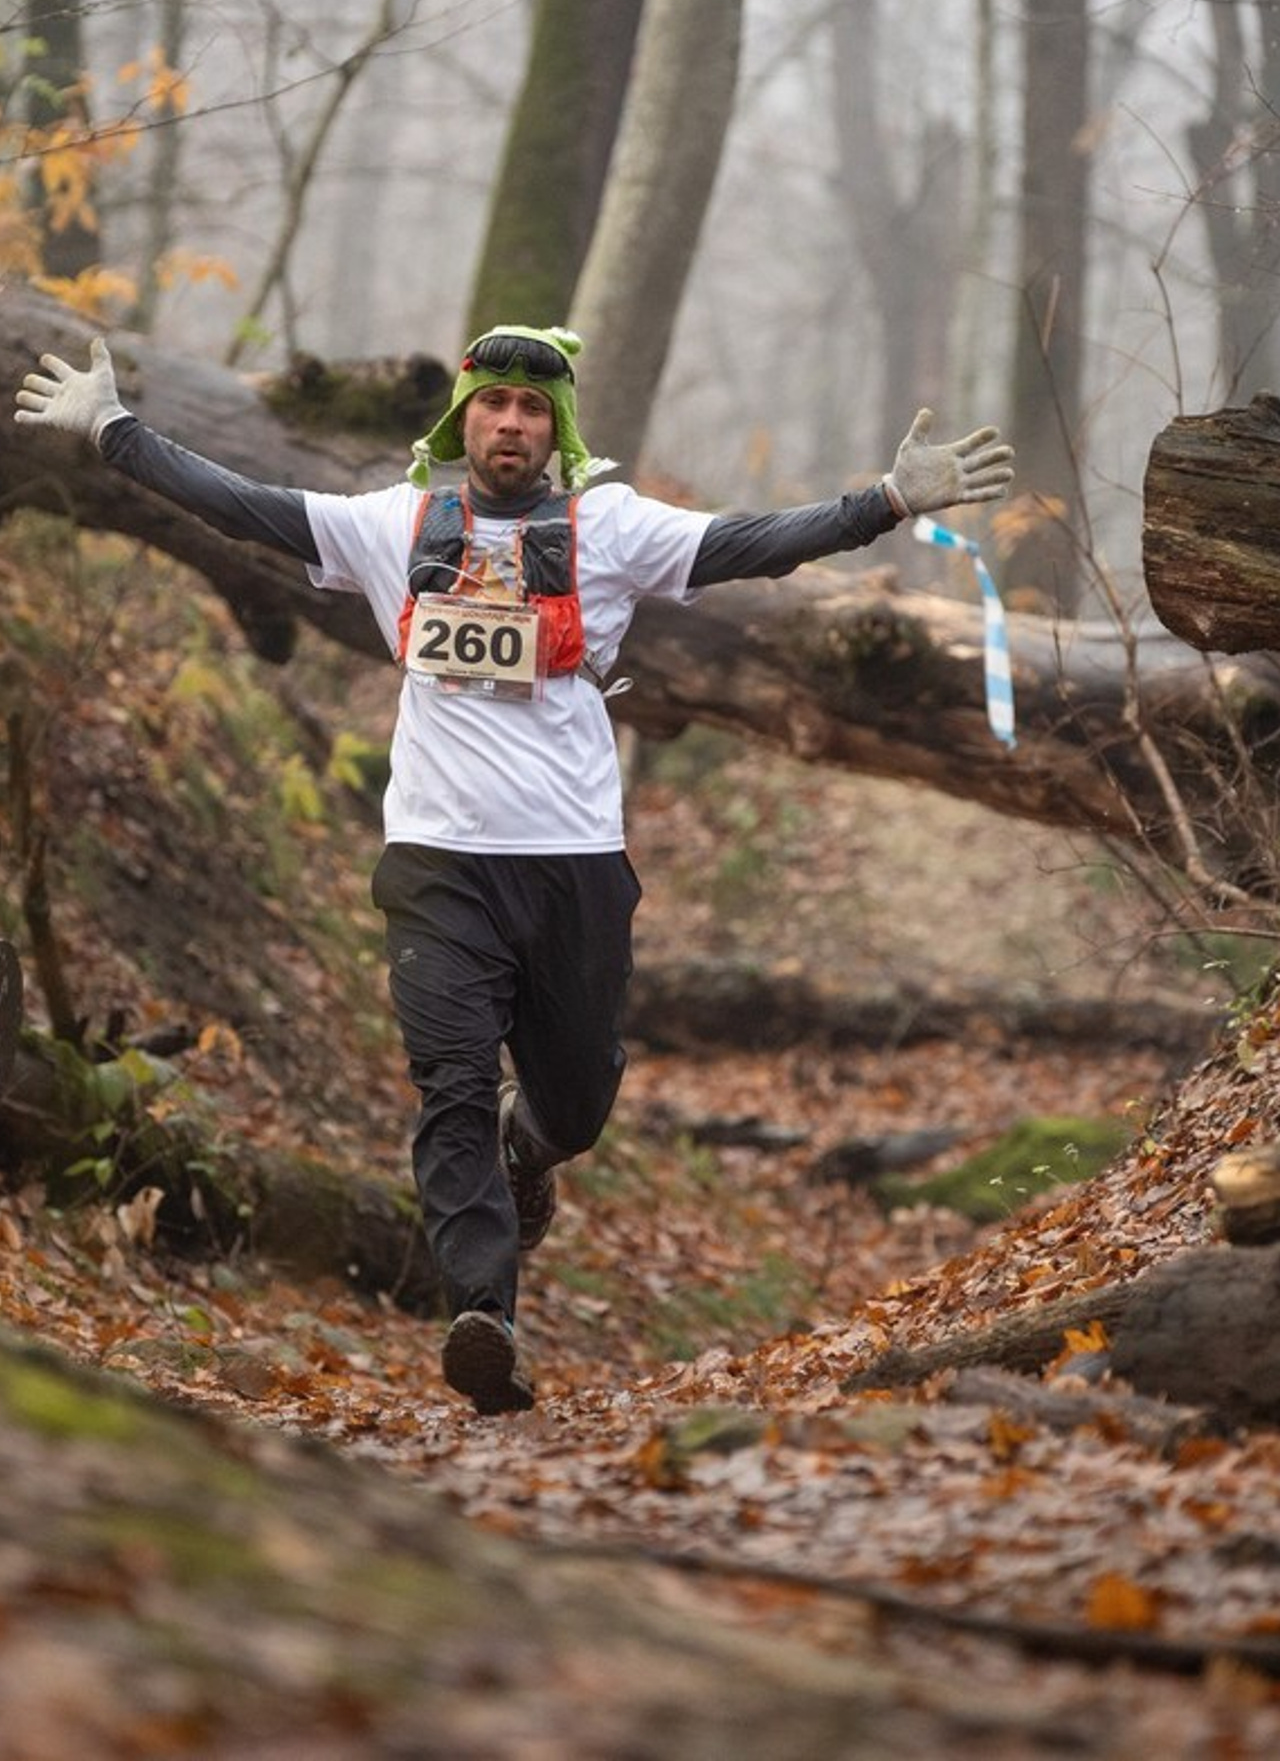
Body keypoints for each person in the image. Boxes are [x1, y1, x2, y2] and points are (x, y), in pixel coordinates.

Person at [14, 324, 1014, 1415]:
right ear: (462, 419)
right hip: (436, 862)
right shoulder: (393, 523)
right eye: (492, 405)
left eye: (531, 411)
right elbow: (243, 504)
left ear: (556, 428)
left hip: (570, 863)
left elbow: (749, 544)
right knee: (447, 1085)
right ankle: (482, 1314)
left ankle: (526, 1142)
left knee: (576, 1103)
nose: (509, 424)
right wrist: (114, 431)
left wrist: (884, 501)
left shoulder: (611, 527)